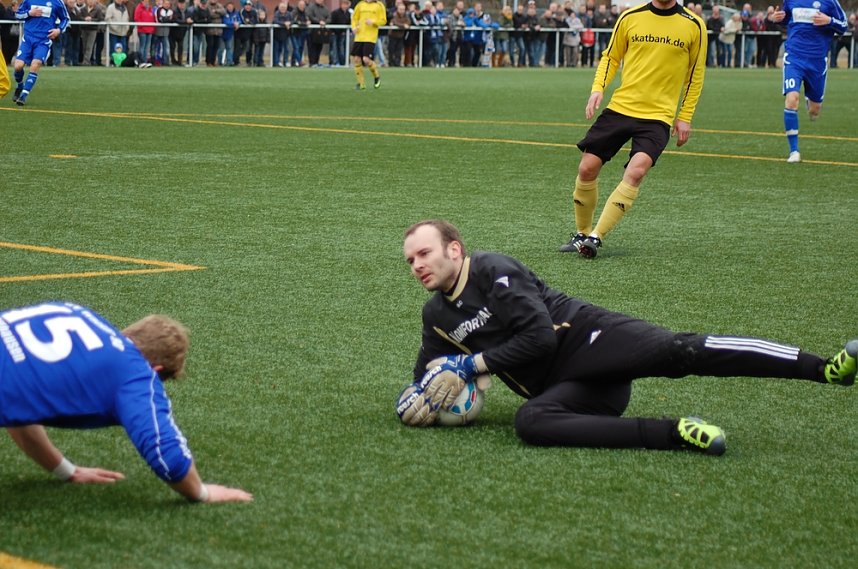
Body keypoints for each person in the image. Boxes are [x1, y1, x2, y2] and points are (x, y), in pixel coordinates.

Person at [397, 220, 858, 454]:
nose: (417, 265)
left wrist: (470, 366)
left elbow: (540, 339)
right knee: (530, 423)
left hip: (592, 338)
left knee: (683, 352)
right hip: (575, 391)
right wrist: (413, 400)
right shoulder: (436, 315)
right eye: (410, 261)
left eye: (424, 253)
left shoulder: (494, 268)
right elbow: (425, 374)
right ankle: (676, 433)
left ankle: (824, 368)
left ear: (453, 250)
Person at [0, 302, 254, 502]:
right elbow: (167, 455)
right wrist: (201, 492)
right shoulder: (136, 374)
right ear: (157, 369)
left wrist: (67, 471)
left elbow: (20, 406)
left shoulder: (77, 312)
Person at [558, 0, 706, 259]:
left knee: (636, 171)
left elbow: (695, 74)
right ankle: (582, 233)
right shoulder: (629, 17)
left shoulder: (694, 25)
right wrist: (598, 88)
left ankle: (596, 237)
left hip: (658, 116)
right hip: (621, 108)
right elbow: (611, 57)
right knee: (586, 167)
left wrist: (685, 116)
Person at [769, 0, 848, 164]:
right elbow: (786, 19)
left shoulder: (830, 2)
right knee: (791, 99)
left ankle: (810, 102)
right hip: (794, 57)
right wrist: (777, 18)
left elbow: (844, 25)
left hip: (817, 61)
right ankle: (794, 151)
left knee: (814, 111)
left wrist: (829, 21)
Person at [11, 0, 70, 106]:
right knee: (18, 66)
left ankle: (23, 96)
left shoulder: (57, 2)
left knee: (35, 65)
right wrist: (29, 13)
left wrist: (58, 30)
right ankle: (20, 86)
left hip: (43, 41)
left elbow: (65, 19)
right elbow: (18, 14)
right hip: (28, 39)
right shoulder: (28, 0)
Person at [350, 0, 385, 90]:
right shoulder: (360, 5)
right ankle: (361, 84)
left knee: (366, 59)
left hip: (370, 37)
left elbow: (383, 20)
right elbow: (354, 18)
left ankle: (377, 76)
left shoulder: (379, 5)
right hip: (359, 36)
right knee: (357, 59)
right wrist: (354, 27)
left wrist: (373, 21)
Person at [80, 0, 105, 66]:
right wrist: (85, 19)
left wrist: (91, 19)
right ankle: (85, 60)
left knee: (89, 46)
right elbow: (79, 17)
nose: (90, 2)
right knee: (84, 46)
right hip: (84, 29)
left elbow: (100, 18)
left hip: (93, 30)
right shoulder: (83, 9)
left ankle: (86, 62)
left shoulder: (98, 9)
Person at [306, 0, 329, 67]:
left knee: (319, 47)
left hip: (321, 31)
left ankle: (316, 62)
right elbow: (310, 16)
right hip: (312, 31)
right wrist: (319, 21)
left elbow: (329, 17)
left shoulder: (325, 8)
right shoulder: (311, 7)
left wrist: (325, 22)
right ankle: (312, 63)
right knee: (312, 47)